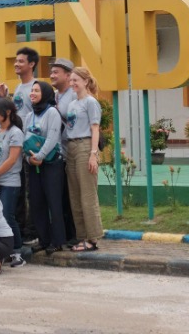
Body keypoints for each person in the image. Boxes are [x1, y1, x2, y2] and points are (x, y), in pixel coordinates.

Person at [65, 66, 104, 252]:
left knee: (88, 194)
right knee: (75, 196)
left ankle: (93, 238)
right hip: (71, 147)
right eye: (71, 80)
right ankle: (82, 237)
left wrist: (93, 155)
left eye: (76, 80)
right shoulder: (72, 104)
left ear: (86, 82)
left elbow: (95, 129)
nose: (72, 83)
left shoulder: (91, 102)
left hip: (85, 146)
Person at [25, 81, 66, 255]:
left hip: (52, 164)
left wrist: (40, 156)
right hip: (34, 164)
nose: (32, 93)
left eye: (36, 90)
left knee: (54, 202)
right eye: (31, 90)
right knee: (37, 202)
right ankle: (44, 239)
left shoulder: (52, 112)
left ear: (46, 93)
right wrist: (29, 158)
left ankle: (57, 241)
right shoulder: (29, 115)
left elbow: (52, 137)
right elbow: (24, 140)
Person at [0, 98, 25, 263]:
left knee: (8, 216)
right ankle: (3, 250)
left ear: (7, 112)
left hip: (9, 181)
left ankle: (17, 251)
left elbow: (12, 159)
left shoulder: (16, 133)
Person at [49, 57, 78, 246]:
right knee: (62, 195)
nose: (52, 75)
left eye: (56, 72)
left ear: (68, 75)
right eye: (51, 71)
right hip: (59, 152)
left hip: (72, 150)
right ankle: (66, 234)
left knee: (71, 194)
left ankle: (75, 234)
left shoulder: (74, 95)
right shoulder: (56, 95)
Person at [3, 47, 38, 124]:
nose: (16, 64)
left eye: (21, 61)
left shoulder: (37, 87)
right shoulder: (18, 87)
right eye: (16, 61)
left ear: (31, 64)